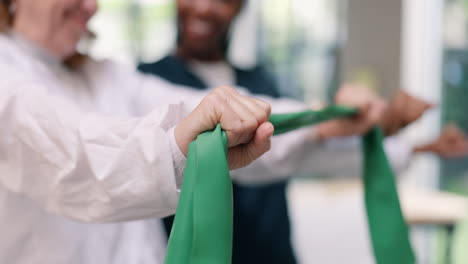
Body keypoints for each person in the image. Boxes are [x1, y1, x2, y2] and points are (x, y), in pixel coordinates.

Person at [0, 1, 386, 263]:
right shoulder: (7, 77)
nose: (93, 7)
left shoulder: (104, 75)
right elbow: (78, 161)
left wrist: (320, 120)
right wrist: (182, 145)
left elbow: (197, 106)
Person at [138, 0, 468, 263]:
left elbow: (304, 149)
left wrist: (417, 147)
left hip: (273, 250)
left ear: (240, 7)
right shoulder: (148, 84)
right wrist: (321, 120)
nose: (205, 7)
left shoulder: (260, 82)